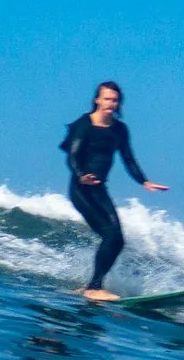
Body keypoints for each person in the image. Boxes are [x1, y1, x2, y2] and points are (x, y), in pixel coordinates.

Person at [60, 81, 168, 301]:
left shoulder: (119, 129)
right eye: (107, 98)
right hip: (81, 189)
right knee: (111, 236)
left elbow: (128, 158)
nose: (111, 103)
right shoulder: (84, 125)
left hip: (100, 190)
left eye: (115, 100)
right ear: (97, 100)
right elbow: (72, 156)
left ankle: (90, 286)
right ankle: (94, 288)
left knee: (117, 239)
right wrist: (82, 175)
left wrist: (143, 181)